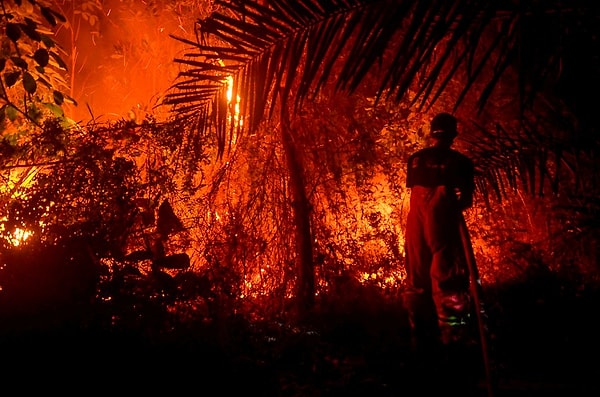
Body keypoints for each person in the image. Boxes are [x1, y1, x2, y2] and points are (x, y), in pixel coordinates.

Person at [402, 112, 477, 356]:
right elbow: (465, 201)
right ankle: (453, 339)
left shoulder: (415, 160)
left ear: (432, 133)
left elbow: (412, 193)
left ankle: (419, 338)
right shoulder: (461, 163)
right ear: (453, 134)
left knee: (416, 278)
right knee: (449, 278)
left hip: (414, 223)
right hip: (442, 223)